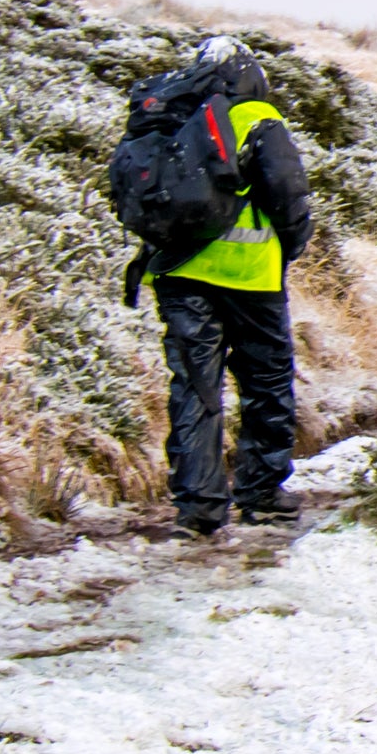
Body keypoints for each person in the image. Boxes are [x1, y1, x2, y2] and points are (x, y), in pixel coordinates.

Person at [148, 35, 313, 539]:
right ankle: (261, 492)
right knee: (265, 383)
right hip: (250, 279)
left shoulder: (169, 118)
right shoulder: (257, 117)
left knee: (196, 388)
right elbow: (288, 194)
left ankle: (197, 507)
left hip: (177, 275)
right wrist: (292, 244)